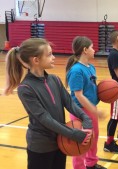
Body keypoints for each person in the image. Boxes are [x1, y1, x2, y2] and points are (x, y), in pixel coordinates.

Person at [3, 38, 93, 169]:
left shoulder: (54, 79)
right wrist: (72, 133)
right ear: (36, 60)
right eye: (49, 54)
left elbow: (69, 102)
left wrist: (85, 117)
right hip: (41, 146)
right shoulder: (26, 88)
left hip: (60, 142)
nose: (54, 57)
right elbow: (45, 119)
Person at [65, 36, 106, 169]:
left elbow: (91, 88)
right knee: (82, 142)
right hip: (80, 111)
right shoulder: (76, 70)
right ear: (84, 50)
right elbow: (79, 95)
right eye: (92, 47)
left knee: (94, 137)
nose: (94, 50)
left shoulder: (91, 67)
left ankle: (91, 163)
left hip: (91, 108)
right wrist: (95, 111)